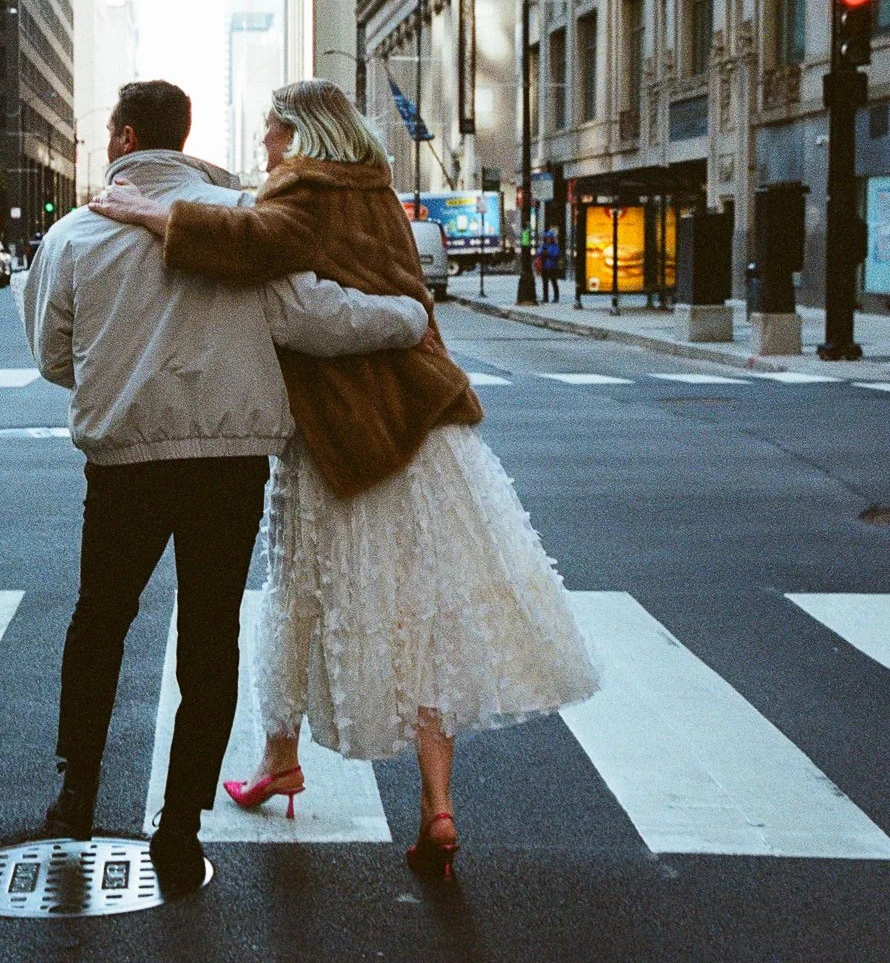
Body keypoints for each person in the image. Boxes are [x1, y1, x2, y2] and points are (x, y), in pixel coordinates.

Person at [91, 79, 599, 882]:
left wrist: (151, 212)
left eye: (269, 132)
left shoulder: (305, 190)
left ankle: (279, 761)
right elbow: (340, 258)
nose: (263, 148)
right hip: (425, 425)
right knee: (424, 611)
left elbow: (256, 247)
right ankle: (436, 803)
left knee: (302, 597)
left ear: (298, 134)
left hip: (343, 436)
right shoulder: (374, 191)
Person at [18, 80, 429, 895]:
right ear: (186, 134)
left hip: (124, 460)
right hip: (229, 462)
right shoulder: (244, 227)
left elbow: (52, 357)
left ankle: (76, 791)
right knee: (210, 640)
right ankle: (179, 820)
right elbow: (318, 318)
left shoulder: (74, 234)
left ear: (126, 135)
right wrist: (409, 317)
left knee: (100, 620)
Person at [541, 227, 564, 303]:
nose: (548, 240)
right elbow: (539, 252)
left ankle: (556, 297)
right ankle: (545, 298)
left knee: (554, 282)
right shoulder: (543, 246)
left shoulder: (554, 246)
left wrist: (548, 253)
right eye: (547, 238)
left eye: (549, 238)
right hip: (544, 266)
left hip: (552, 266)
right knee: (545, 283)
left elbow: (556, 254)